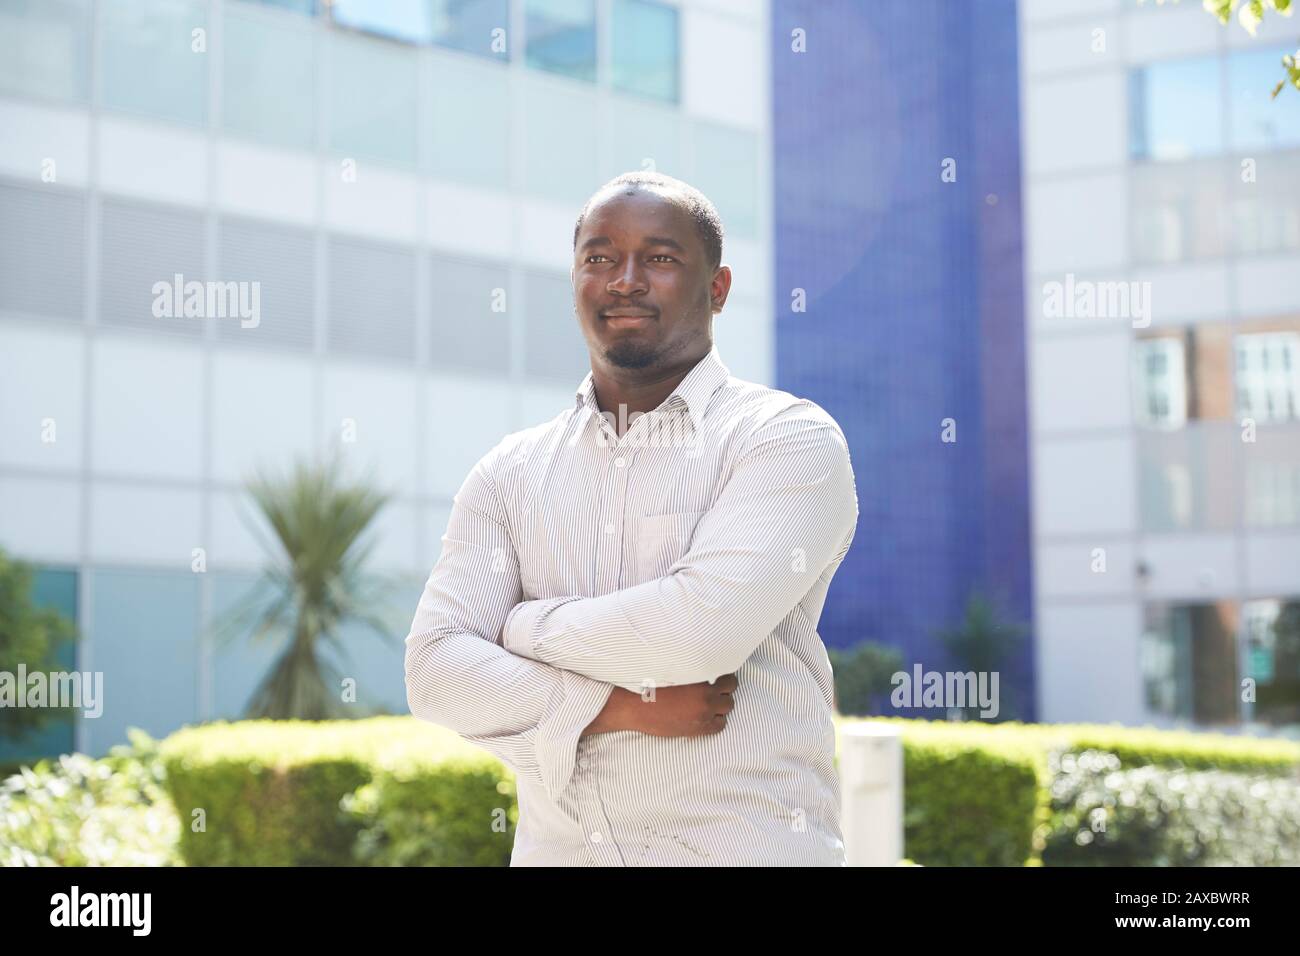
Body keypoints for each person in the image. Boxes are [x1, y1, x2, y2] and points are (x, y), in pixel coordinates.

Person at [404, 170, 859, 866]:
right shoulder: (510, 473)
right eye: (599, 257)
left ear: (718, 287)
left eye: (660, 257)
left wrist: (521, 627)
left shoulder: (784, 440)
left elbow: (697, 633)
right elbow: (435, 671)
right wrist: (620, 706)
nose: (624, 279)